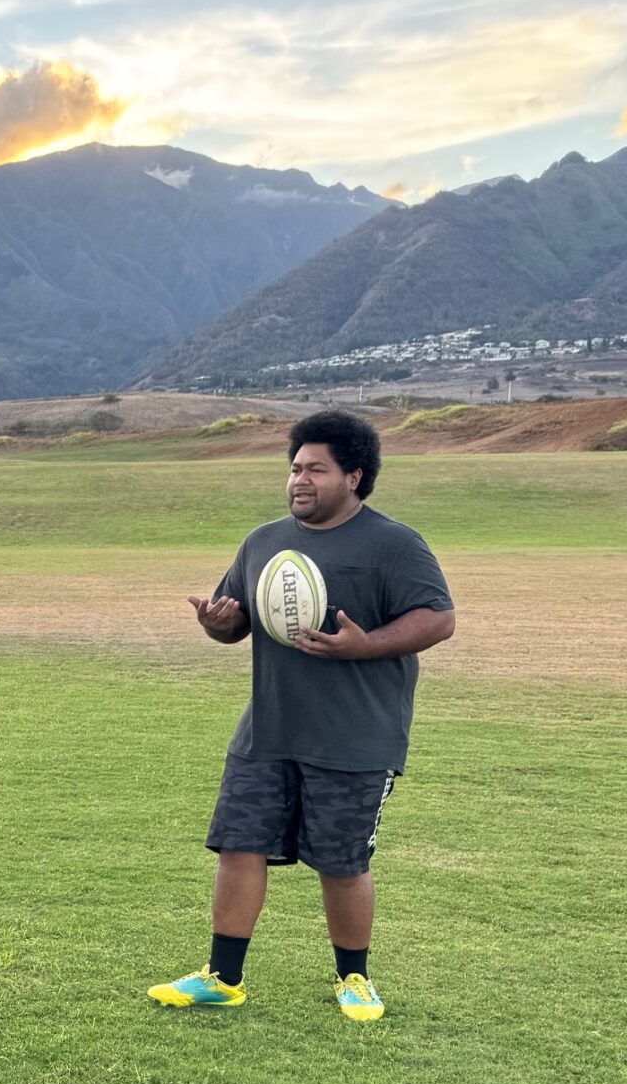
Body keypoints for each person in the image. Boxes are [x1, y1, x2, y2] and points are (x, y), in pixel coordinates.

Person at [150, 409, 455, 1021]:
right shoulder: (264, 541)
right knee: (238, 846)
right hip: (267, 728)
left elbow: (438, 618)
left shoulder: (393, 543)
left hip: (355, 737)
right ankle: (223, 976)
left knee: (341, 863)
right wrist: (217, 625)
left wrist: (365, 645)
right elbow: (237, 618)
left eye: (316, 469)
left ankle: (354, 979)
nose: (299, 480)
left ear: (354, 476)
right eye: (294, 468)